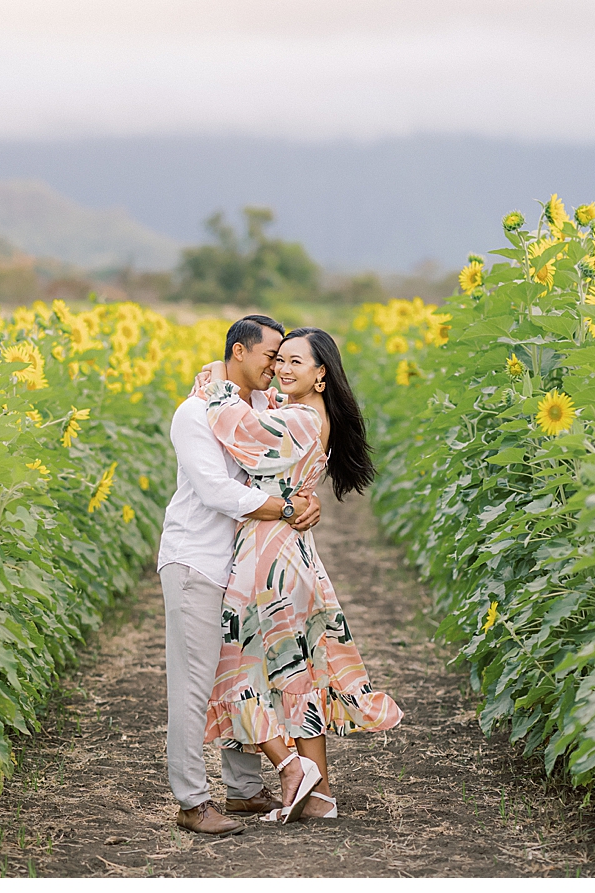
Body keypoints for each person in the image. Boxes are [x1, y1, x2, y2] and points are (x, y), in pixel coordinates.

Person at [194, 326, 402, 824]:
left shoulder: (301, 419)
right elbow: (263, 411)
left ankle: (292, 768)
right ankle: (321, 795)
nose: (282, 370)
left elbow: (242, 432)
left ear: (321, 373)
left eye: (295, 362)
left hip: (268, 554)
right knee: (294, 670)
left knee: (237, 664)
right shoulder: (306, 413)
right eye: (279, 359)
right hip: (289, 548)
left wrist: (214, 377)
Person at [159, 314, 322, 836]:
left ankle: (244, 790)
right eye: (270, 354)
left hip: (237, 565)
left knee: (243, 668)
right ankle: (190, 800)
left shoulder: (259, 409)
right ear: (238, 351)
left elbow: (292, 457)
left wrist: (306, 499)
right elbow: (217, 492)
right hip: (195, 559)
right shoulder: (194, 413)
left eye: (282, 357)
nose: (276, 365)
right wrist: (287, 506)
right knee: (194, 683)